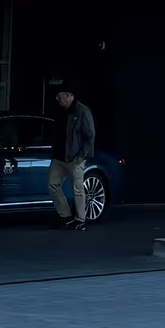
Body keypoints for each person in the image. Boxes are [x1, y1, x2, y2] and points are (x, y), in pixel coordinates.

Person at [47, 87, 95, 229]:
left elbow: (90, 134)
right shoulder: (61, 111)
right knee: (52, 184)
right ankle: (66, 216)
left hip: (74, 158)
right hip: (59, 157)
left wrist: (83, 155)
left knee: (78, 189)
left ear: (69, 96)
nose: (57, 99)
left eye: (59, 96)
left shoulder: (82, 111)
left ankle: (80, 219)